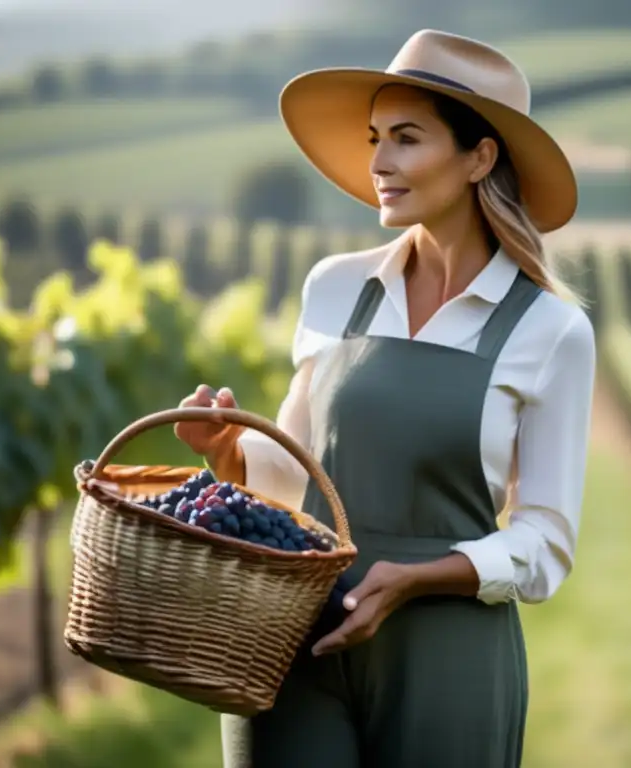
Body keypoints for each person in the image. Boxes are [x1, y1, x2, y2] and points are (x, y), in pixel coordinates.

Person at [175, 28, 596, 768]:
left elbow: (546, 545)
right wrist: (235, 453)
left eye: (406, 139)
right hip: (295, 636)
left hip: (446, 655)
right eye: (375, 138)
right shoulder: (335, 287)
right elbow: (301, 472)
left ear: (480, 157)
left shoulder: (551, 330)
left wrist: (419, 578)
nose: (377, 163)